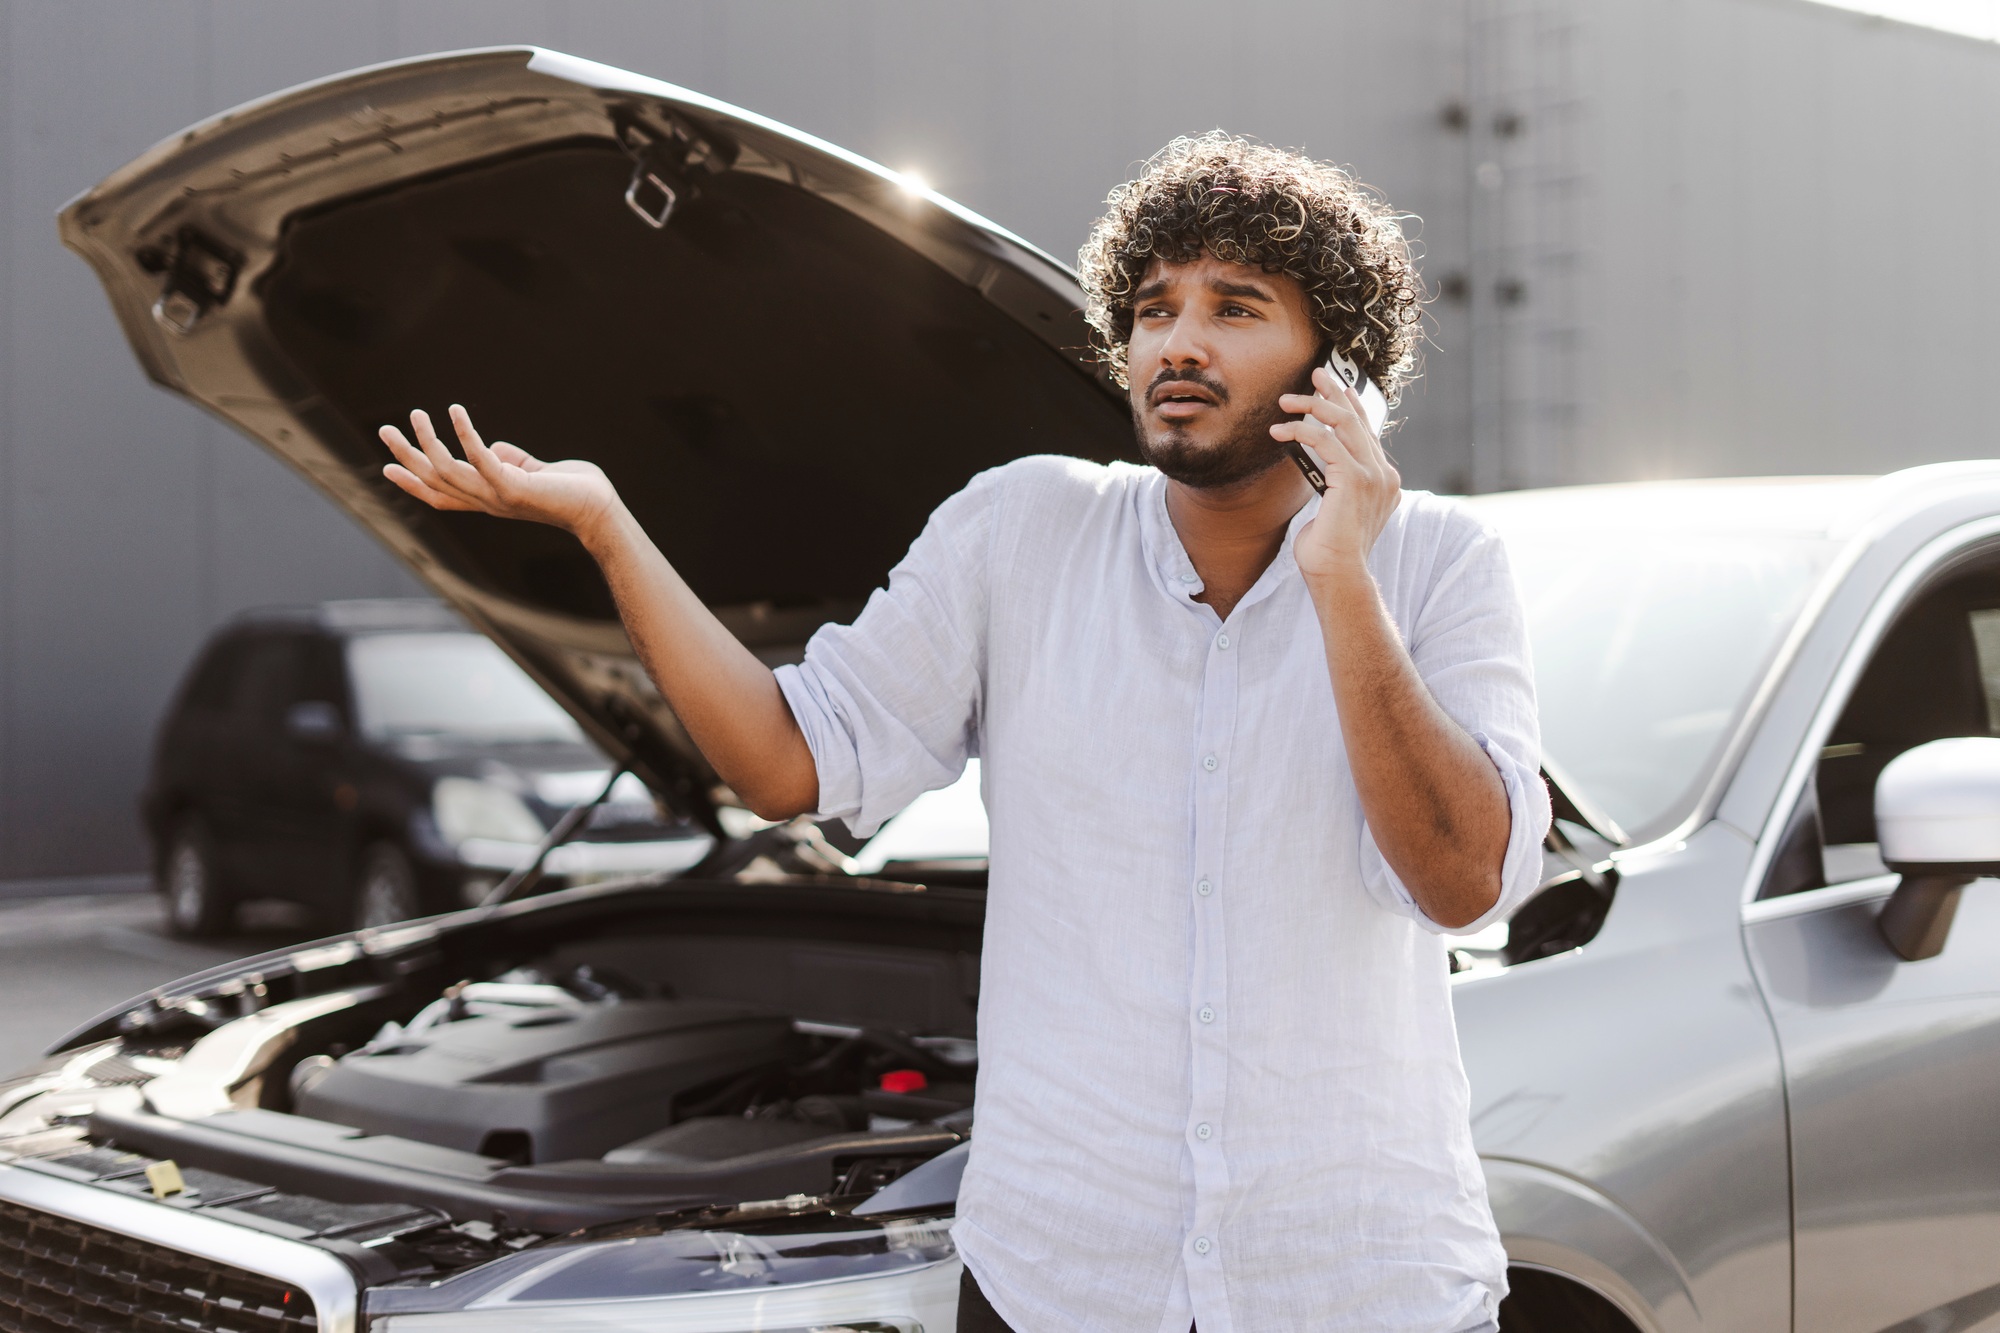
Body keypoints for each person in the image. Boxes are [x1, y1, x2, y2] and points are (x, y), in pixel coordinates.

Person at [378, 131, 1548, 1333]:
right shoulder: (1019, 530)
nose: (1178, 341)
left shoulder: (1441, 566)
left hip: (1350, 1283)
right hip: (1060, 1280)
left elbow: (1461, 880)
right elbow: (788, 761)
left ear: (1337, 367)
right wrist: (606, 524)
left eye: (1235, 307)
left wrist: (1340, 576)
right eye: (1152, 309)